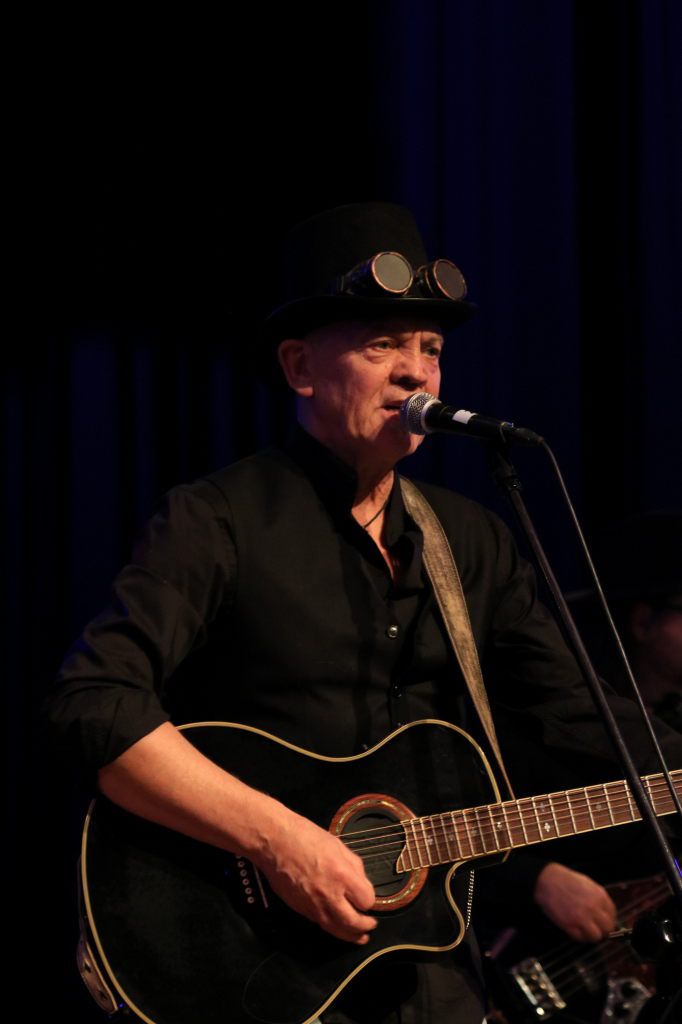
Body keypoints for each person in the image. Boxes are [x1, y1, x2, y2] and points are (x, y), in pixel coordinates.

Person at [45, 203, 682, 1024]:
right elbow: (94, 704)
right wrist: (277, 839)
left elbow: (577, 713)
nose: (416, 373)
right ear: (300, 366)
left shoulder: (470, 540)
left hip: (430, 967)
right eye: (383, 343)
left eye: (431, 349)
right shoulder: (217, 521)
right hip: (252, 961)